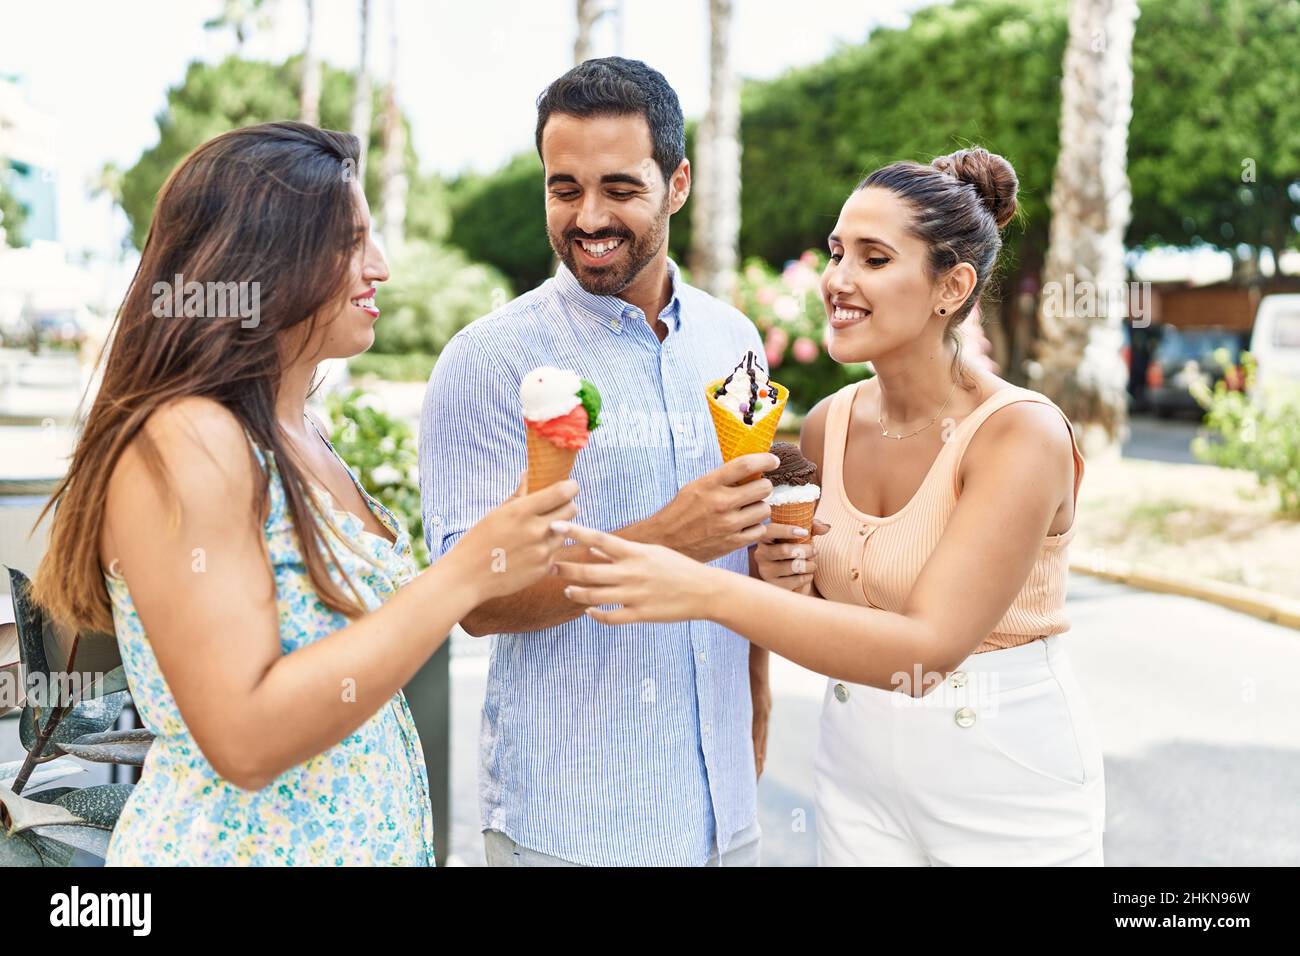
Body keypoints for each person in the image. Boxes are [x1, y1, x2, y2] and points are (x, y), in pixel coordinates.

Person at [31, 122, 577, 866]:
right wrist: (466, 574)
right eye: (350, 242)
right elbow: (244, 739)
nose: (379, 266)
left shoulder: (299, 428)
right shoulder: (191, 439)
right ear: (259, 258)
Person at [553, 148, 1107, 866]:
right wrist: (780, 578)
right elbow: (825, 626)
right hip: (857, 766)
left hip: (1004, 773)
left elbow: (927, 650)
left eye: (874, 259)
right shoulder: (829, 423)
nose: (837, 280)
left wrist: (706, 589)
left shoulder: (1018, 435)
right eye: (837, 252)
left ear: (953, 286)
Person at [419, 58, 777, 867]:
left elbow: (743, 556)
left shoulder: (735, 343)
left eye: (619, 188)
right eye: (564, 187)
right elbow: (476, 603)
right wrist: (662, 538)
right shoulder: (486, 363)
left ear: (677, 183)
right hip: (573, 828)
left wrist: (756, 712)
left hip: (726, 811)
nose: (588, 217)